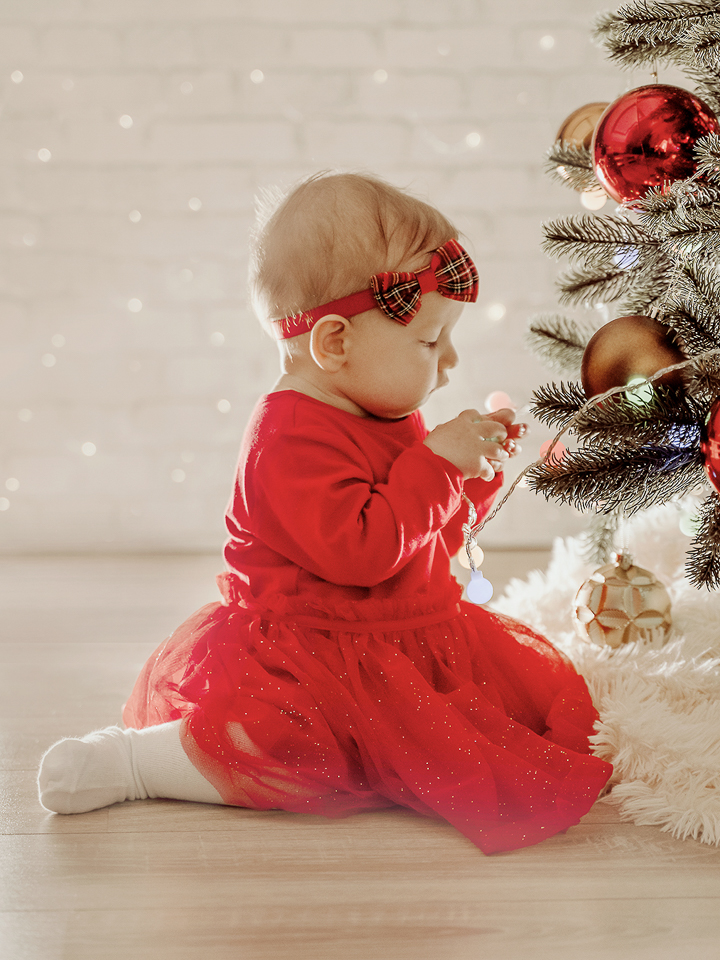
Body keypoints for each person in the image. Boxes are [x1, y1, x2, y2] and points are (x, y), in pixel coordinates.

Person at [38, 172, 612, 854]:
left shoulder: (384, 409)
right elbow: (364, 551)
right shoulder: (286, 434)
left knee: (510, 710)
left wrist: (469, 476)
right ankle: (139, 762)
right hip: (310, 650)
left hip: (395, 637)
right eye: (431, 343)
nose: (451, 362)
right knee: (281, 744)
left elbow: (424, 536)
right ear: (334, 343)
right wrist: (436, 464)